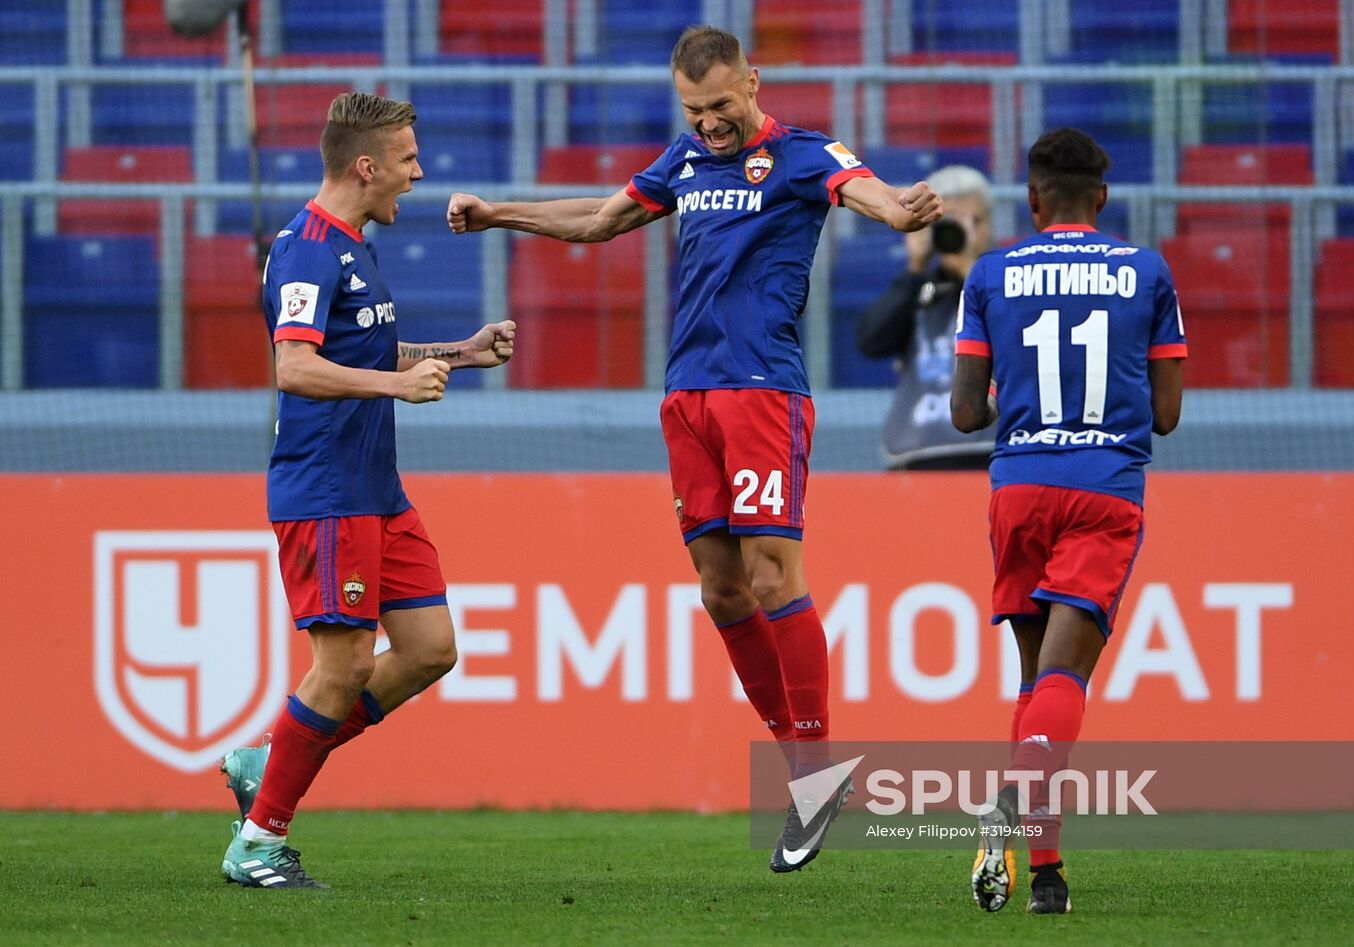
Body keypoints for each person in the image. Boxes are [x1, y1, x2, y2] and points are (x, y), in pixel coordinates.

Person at [446, 25, 941, 872]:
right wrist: (499, 214)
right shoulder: (683, 160)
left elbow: (866, 192)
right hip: (687, 398)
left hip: (761, 391)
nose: (709, 122)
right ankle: (803, 771)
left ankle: (817, 769)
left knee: (773, 571)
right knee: (720, 590)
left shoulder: (803, 153)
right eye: (693, 108)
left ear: (753, 80)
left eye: (719, 104)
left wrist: (903, 209)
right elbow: (601, 221)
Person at [218, 91, 517, 889]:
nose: (417, 175)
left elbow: (371, 348)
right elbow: (295, 366)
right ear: (365, 165)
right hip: (325, 488)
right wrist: (396, 389)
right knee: (343, 664)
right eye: (408, 160)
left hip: (376, 489)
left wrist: (461, 351)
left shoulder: (354, 244)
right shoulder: (309, 248)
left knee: (429, 649)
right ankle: (258, 842)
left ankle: (264, 758)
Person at [950, 128, 1185, 914]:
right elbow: (1167, 413)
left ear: (1033, 197)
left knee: (1031, 684)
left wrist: (1015, 398)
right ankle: (1011, 804)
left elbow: (960, 412)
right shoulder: (1148, 271)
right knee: (1064, 678)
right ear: (1105, 199)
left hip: (1019, 489)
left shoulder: (990, 273)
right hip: (1103, 489)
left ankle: (1045, 875)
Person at [855, 164, 996, 470]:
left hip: (991, 449)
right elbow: (870, 342)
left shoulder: (1006, 284)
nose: (959, 229)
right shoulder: (919, 290)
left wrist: (970, 273)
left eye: (971, 220)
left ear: (988, 226)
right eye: (948, 220)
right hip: (919, 452)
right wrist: (915, 268)